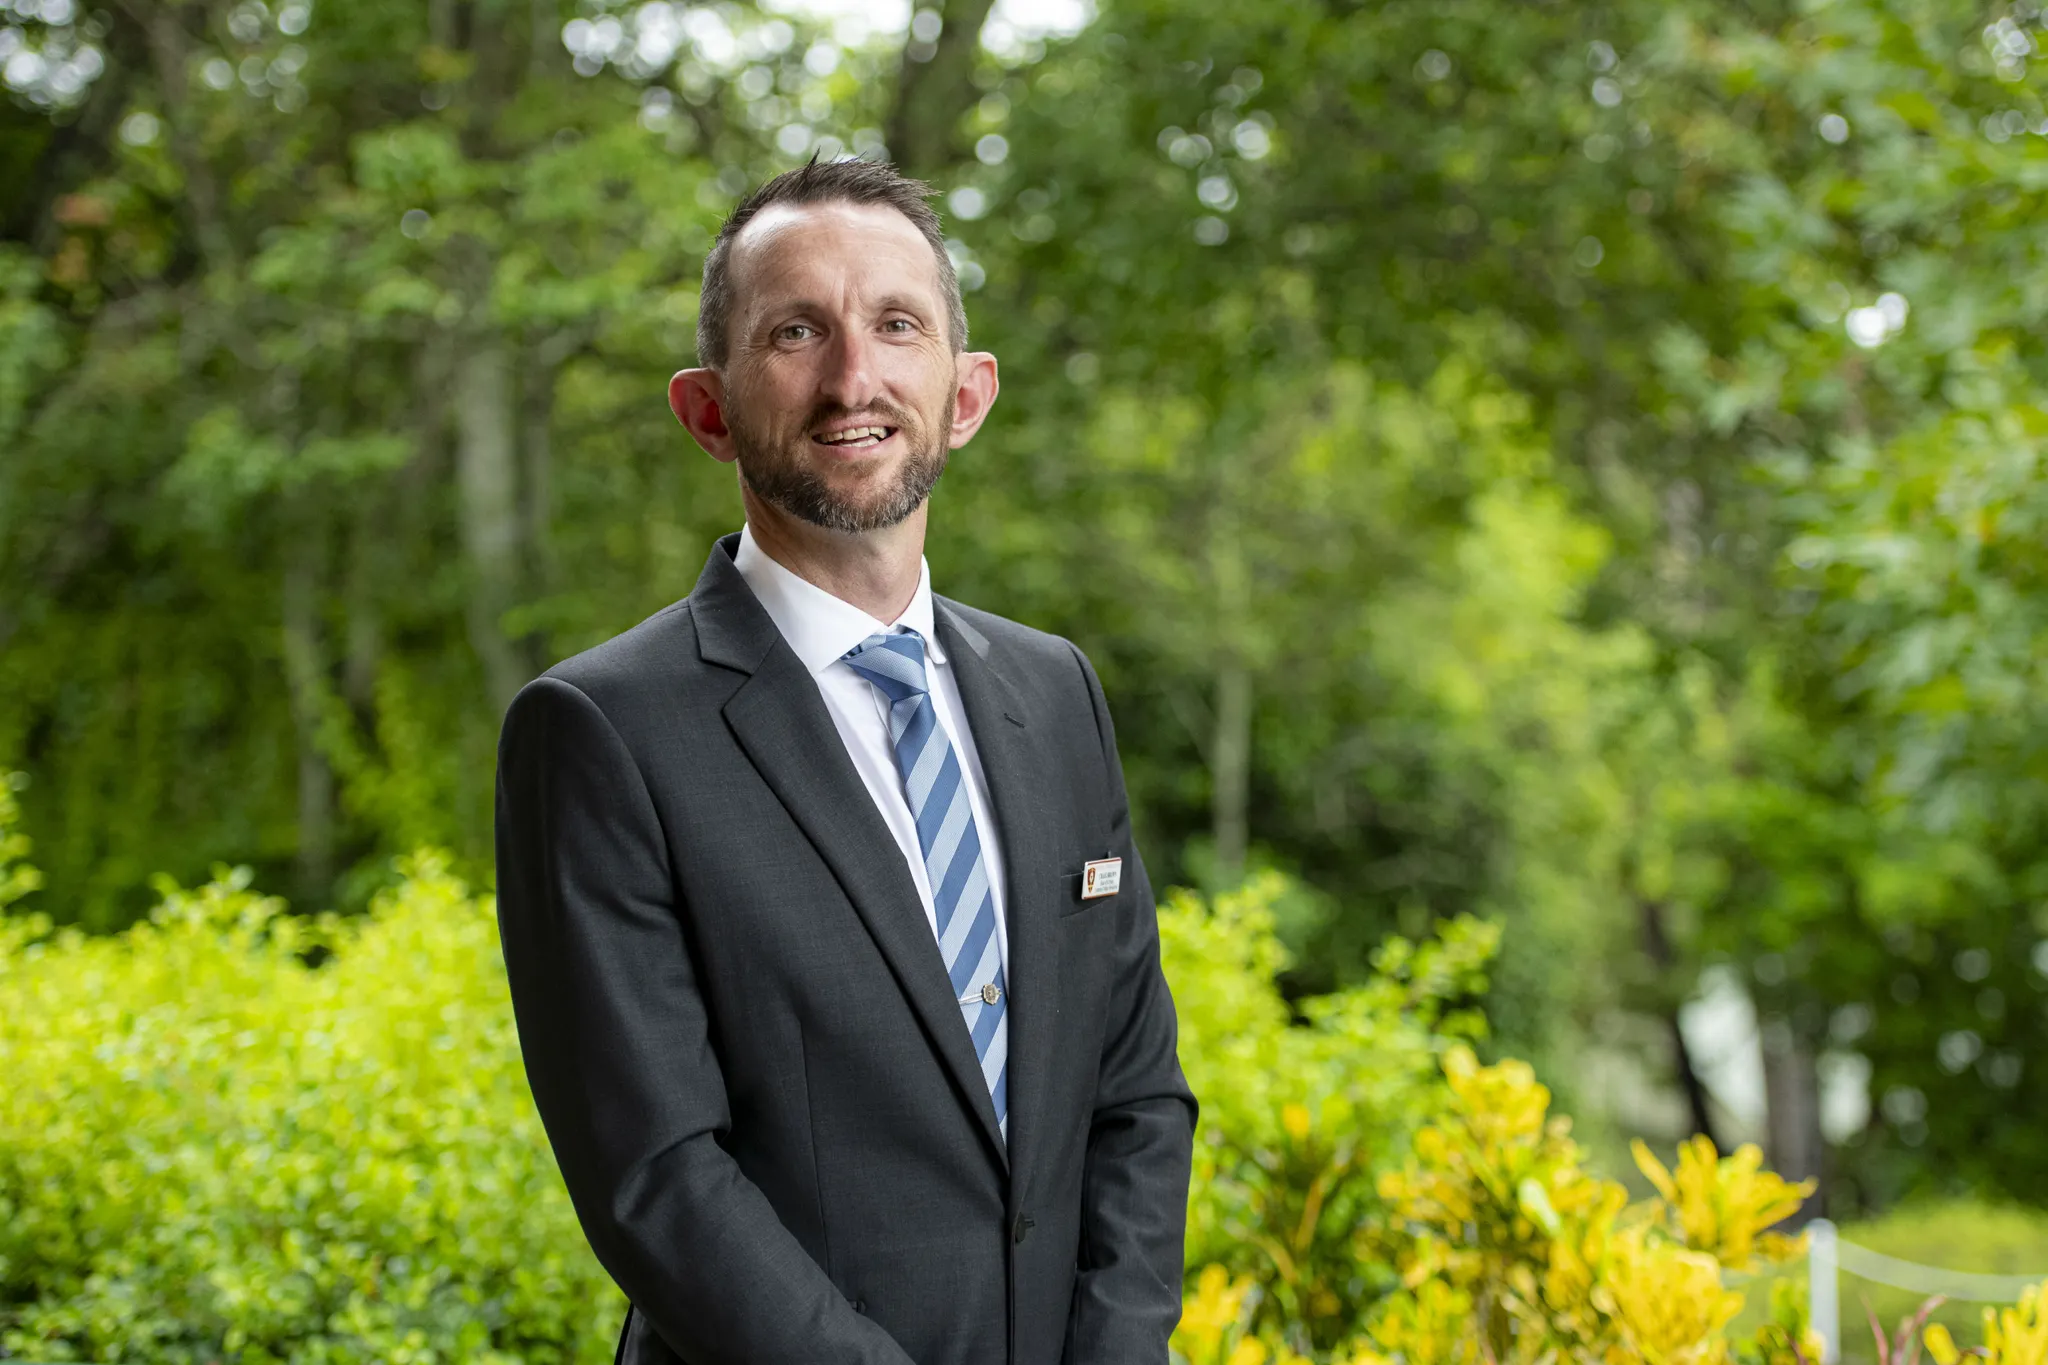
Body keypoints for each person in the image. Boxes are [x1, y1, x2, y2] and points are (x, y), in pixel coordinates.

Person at [493, 158, 1197, 1365]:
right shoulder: (599, 733)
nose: (852, 379)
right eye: (794, 332)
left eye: (896, 325)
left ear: (964, 394)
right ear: (707, 409)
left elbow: (1131, 1091)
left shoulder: (1055, 692)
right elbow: (656, 1179)